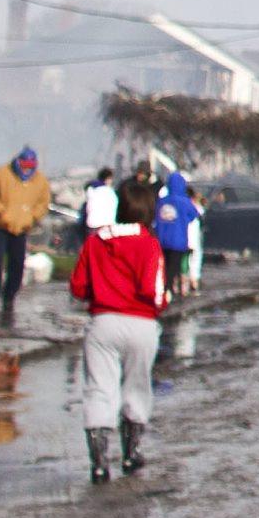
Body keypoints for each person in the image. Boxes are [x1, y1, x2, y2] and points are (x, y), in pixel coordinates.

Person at [68, 177, 169, 483]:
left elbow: (78, 286)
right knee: (136, 387)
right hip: (141, 324)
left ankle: (99, 462)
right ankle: (131, 452)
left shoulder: (96, 241)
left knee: (100, 389)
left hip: (103, 323)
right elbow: (154, 292)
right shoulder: (149, 243)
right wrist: (164, 301)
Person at [0, 147, 49, 329]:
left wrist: (33, 216)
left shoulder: (40, 181)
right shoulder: (1, 174)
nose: (26, 169)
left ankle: (9, 296)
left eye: (30, 166)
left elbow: (43, 203)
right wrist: (2, 212)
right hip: (0, 225)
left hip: (21, 228)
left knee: (17, 264)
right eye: (24, 165)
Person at [148, 160, 203, 310]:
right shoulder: (185, 202)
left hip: (162, 240)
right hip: (178, 241)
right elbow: (194, 215)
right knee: (174, 268)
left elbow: (155, 217)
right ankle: (169, 292)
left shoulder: (162, 201)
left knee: (163, 266)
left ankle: (163, 289)